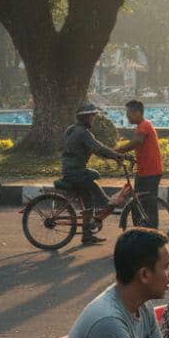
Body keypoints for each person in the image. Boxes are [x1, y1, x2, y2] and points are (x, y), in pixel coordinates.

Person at [62, 103, 127, 245]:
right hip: (75, 171)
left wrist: (114, 155)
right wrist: (117, 156)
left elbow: (96, 148)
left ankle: (87, 235)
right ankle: (105, 203)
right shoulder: (83, 133)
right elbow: (99, 148)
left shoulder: (72, 129)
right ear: (85, 118)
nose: (93, 119)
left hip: (70, 169)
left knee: (88, 200)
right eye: (92, 116)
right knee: (94, 184)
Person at [115, 100, 164, 229]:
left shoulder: (144, 126)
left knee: (147, 203)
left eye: (128, 112)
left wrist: (118, 150)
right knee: (138, 202)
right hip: (144, 171)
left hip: (150, 172)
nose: (127, 116)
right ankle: (140, 229)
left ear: (137, 112)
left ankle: (152, 231)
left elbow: (137, 142)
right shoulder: (143, 125)